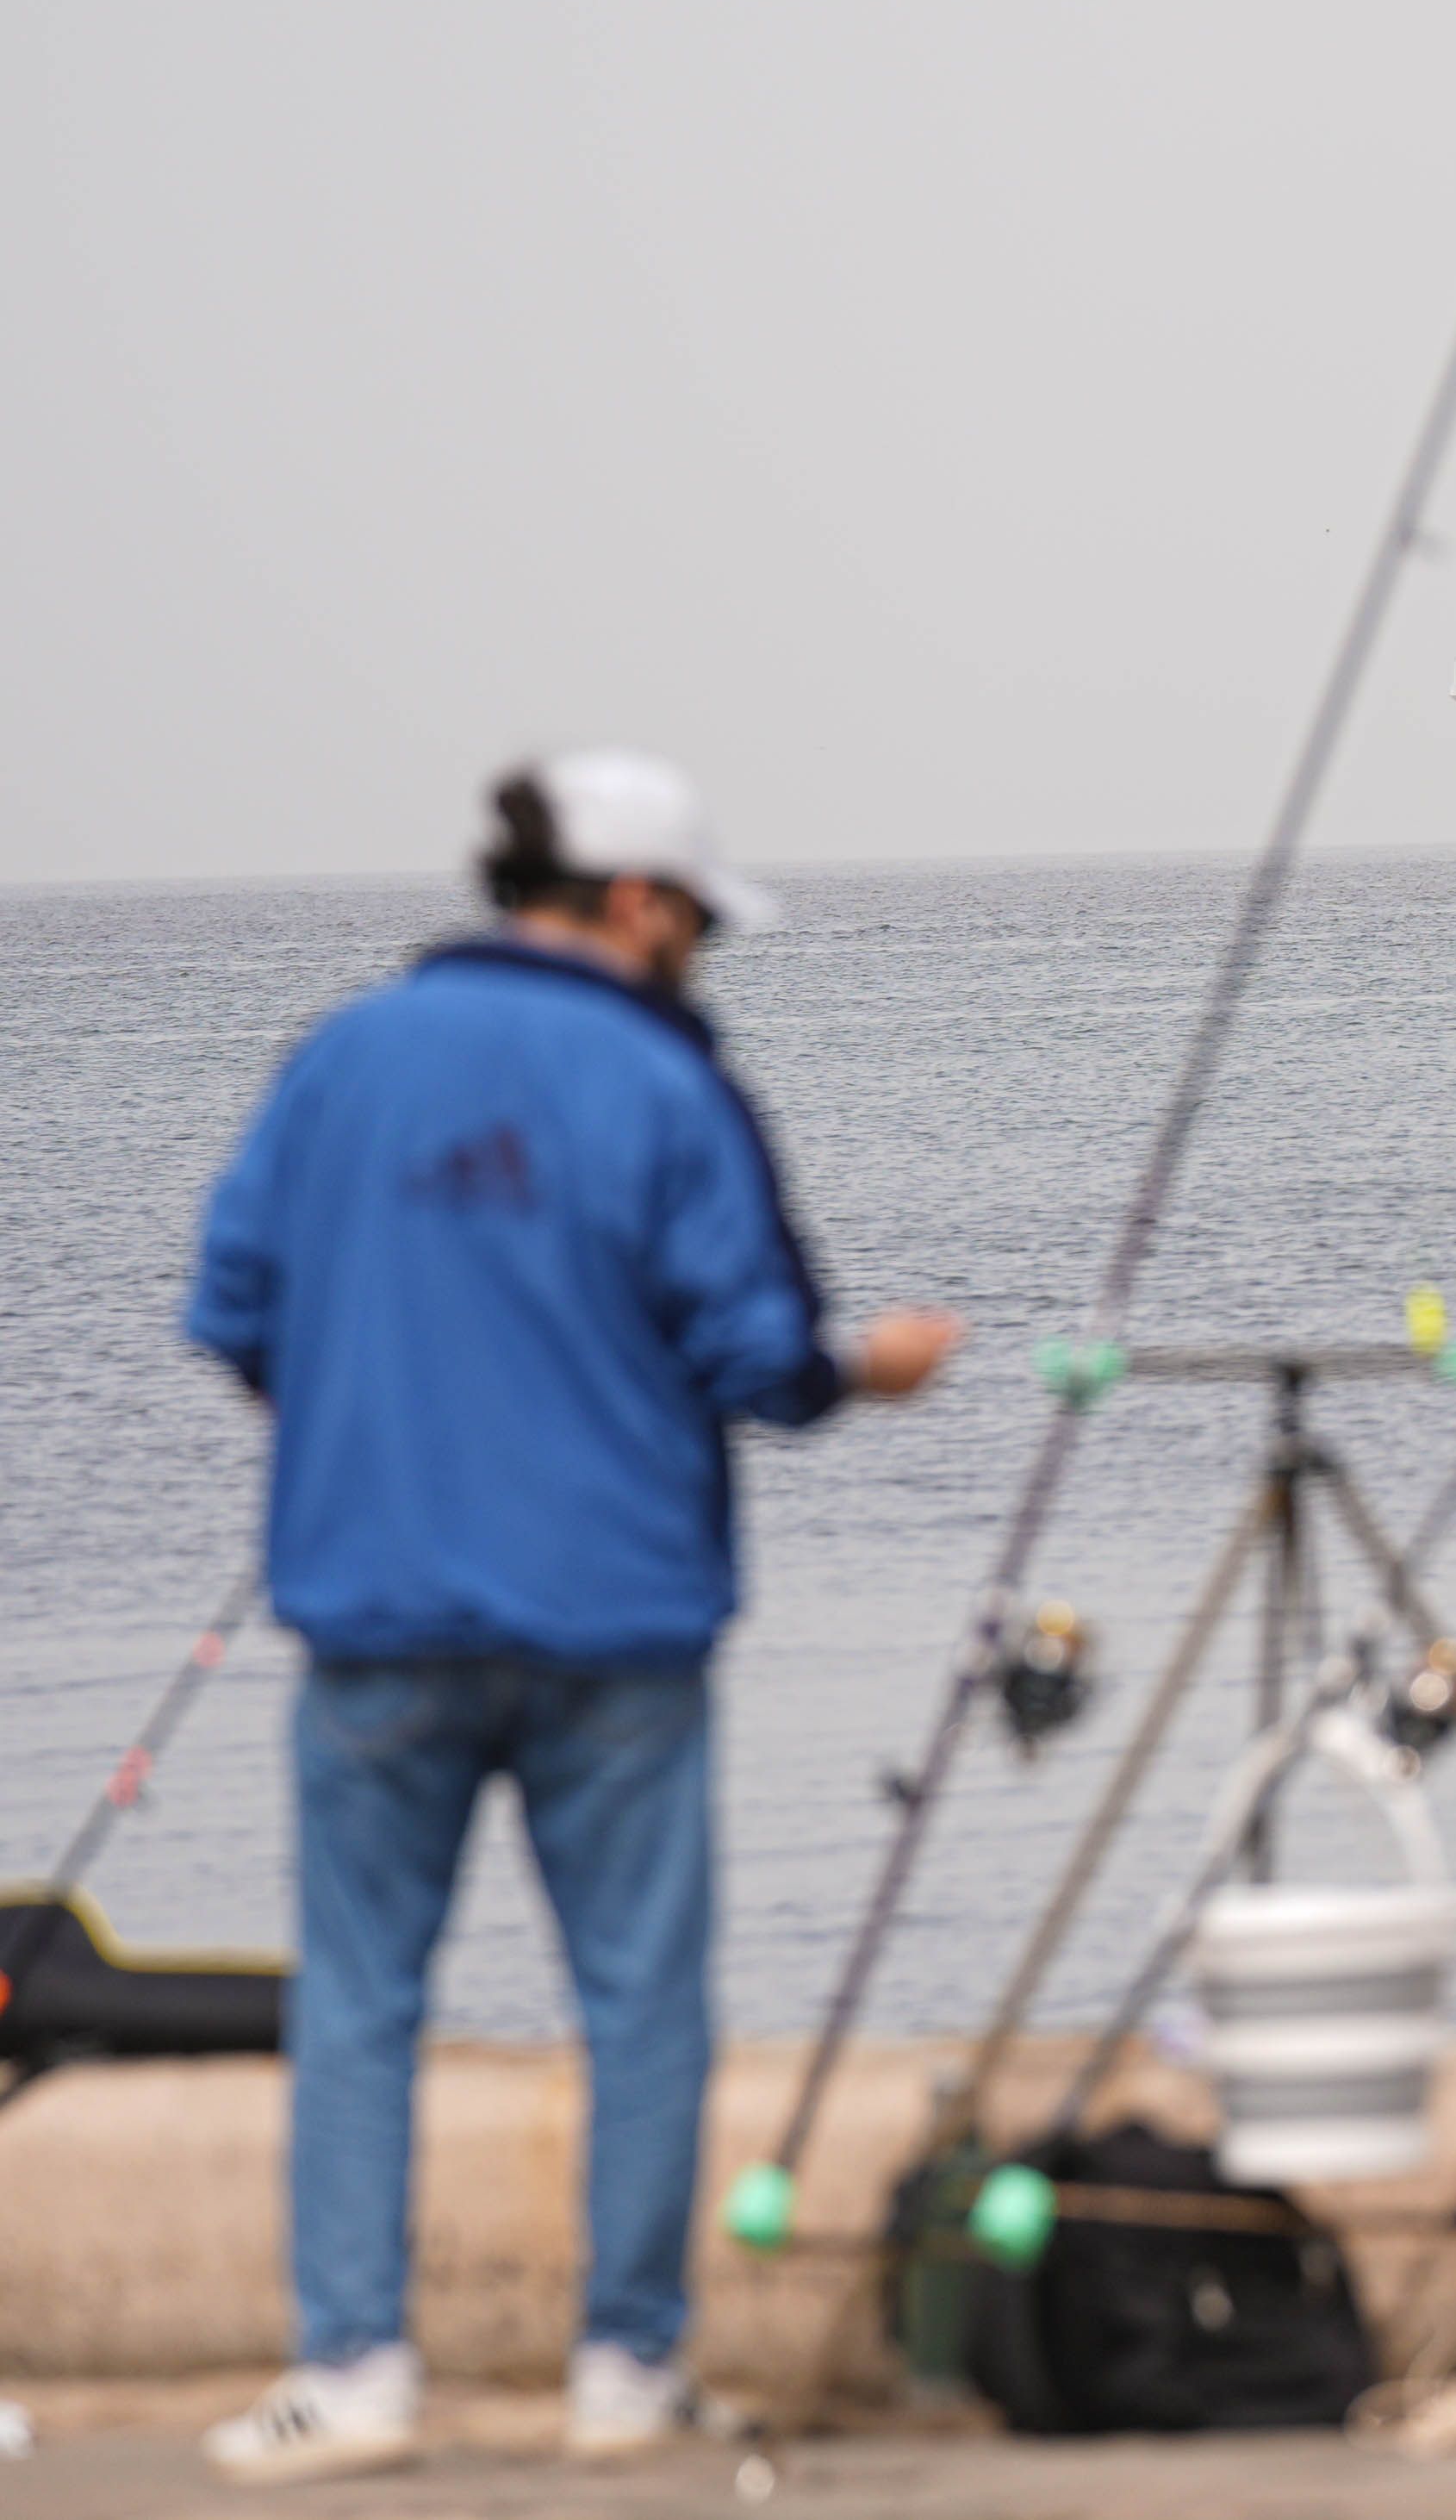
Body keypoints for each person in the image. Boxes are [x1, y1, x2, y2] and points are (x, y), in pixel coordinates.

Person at [177, 754, 961, 2483]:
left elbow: (233, 1312)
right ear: (636, 903)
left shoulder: (343, 1059)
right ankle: (627, 2369)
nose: (699, 955)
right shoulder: (668, 1082)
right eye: (693, 919)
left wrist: (381, 1417)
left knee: (364, 1996)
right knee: (641, 1999)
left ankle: (357, 2371)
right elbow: (764, 1355)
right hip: (617, 1627)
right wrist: (875, 1372)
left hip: (376, 1614)